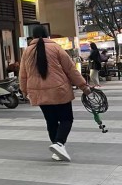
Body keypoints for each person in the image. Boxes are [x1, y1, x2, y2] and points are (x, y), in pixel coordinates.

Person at [20, 25, 91, 162]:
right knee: (66, 119)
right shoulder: (56, 48)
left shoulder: (27, 51)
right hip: (59, 90)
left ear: (33, 36)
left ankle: (58, 150)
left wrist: (24, 91)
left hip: (39, 92)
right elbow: (71, 69)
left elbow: (23, 74)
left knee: (51, 121)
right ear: (48, 35)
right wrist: (83, 86)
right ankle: (59, 144)